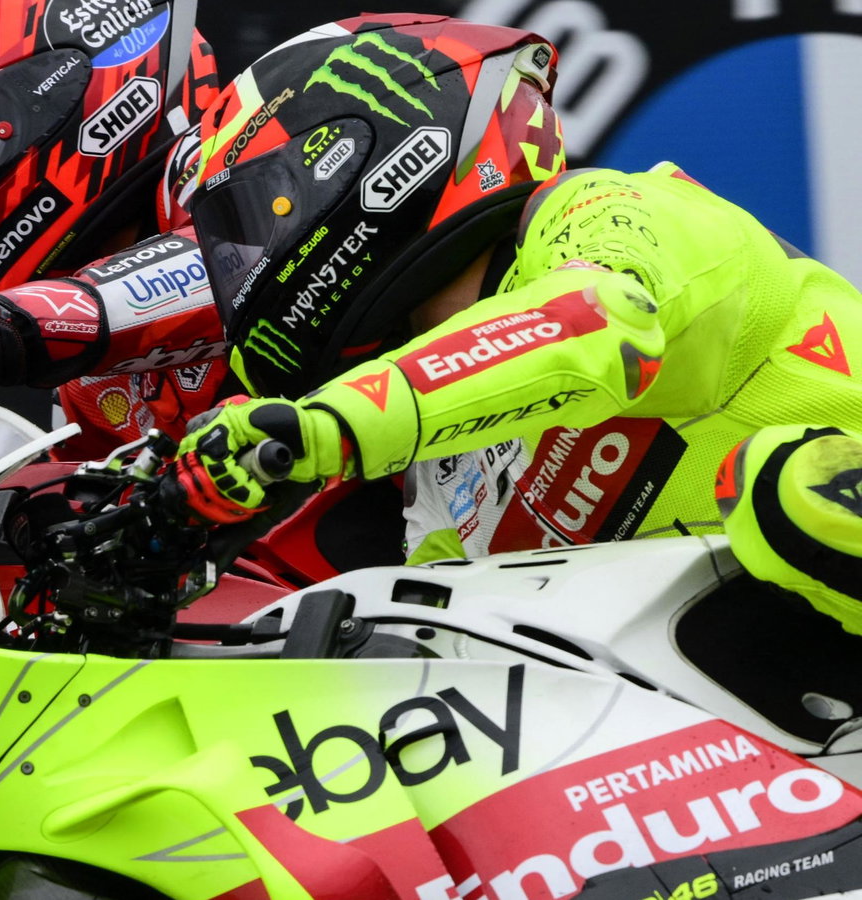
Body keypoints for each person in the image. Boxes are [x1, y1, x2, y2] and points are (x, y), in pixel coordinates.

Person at [167, 12, 862, 633]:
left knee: (793, 489)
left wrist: (322, 429)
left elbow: (599, 328)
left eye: (264, 212)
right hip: (762, 705)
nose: (245, 268)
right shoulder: (438, 479)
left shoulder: (609, 207)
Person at [0, 0, 235, 460]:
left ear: (70, 91)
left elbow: (235, 265)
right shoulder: (85, 384)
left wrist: (8, 329)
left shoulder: (239, 151)